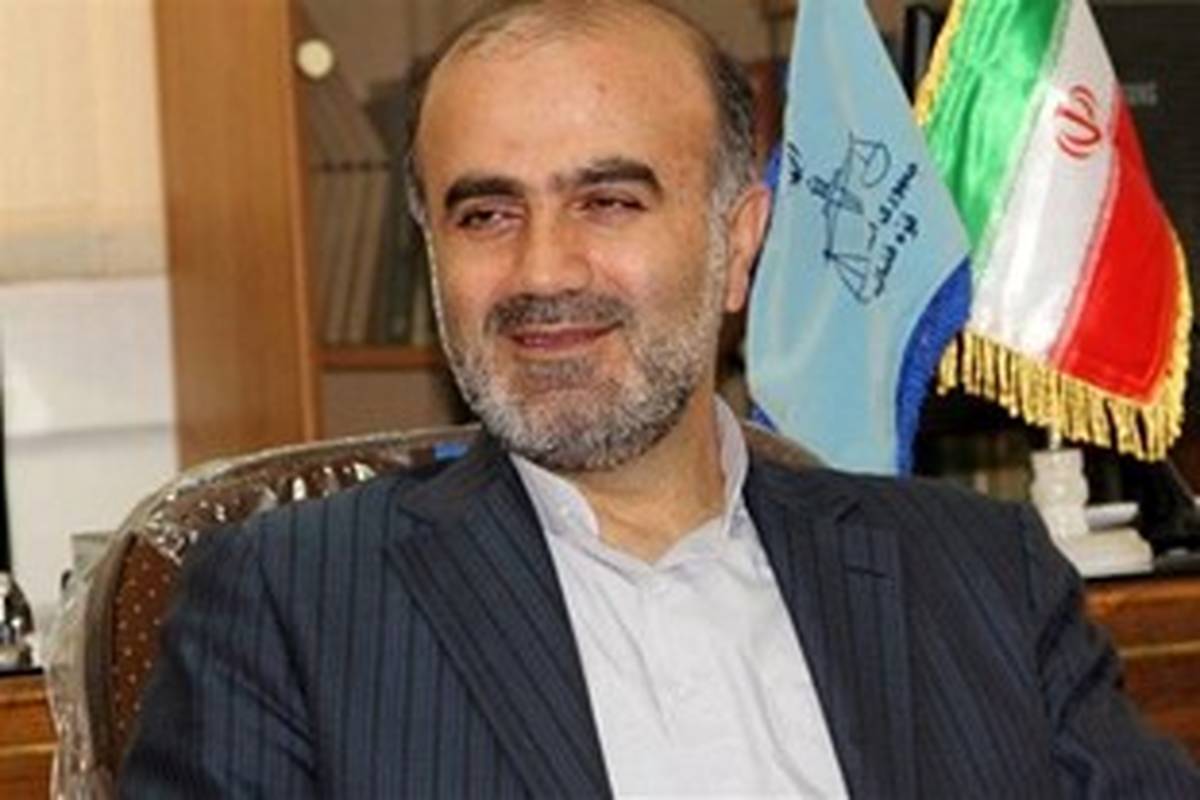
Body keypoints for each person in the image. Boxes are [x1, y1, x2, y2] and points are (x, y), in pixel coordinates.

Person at [121, 1, 1199, 797]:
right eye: (486, 215)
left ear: (739, 247)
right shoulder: (290, 603)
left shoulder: (980, 574)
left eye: (609, 201)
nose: (544, 269)